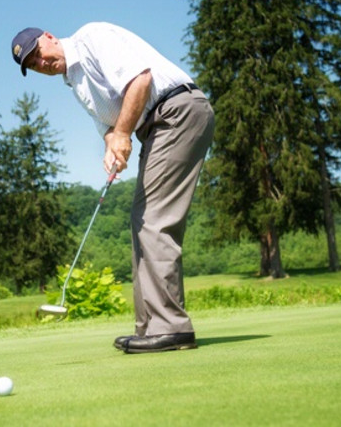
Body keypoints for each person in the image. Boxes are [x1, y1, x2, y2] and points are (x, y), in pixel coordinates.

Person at [11, 22, 214, 354]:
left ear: (49, 37)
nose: (40, 63)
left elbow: (140, 79)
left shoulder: (91, 38)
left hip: (177, 111)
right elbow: (108, 124)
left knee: (153, 221)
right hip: (157, 127)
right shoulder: (73, 82)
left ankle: (171, 328)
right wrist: (112, 144)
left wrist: (122, 134)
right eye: (32, 65)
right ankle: (150, 327)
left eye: (38, 53)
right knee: (141, 220)